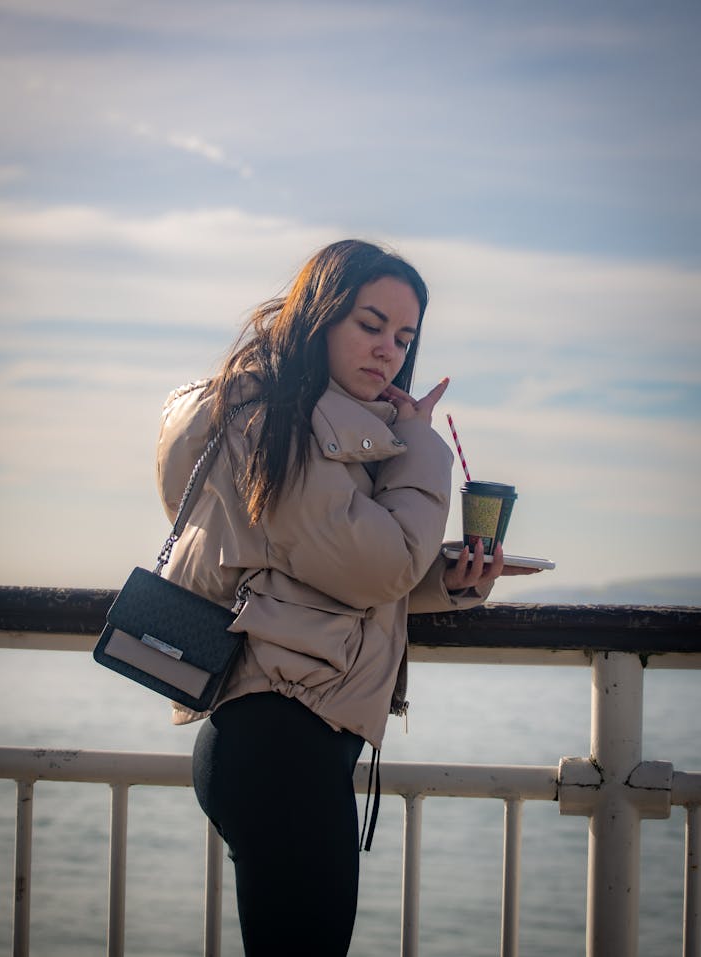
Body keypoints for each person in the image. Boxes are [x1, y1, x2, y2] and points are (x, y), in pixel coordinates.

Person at [155, 239, 538, 956]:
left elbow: (330, 572)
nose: (389, 350)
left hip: (282, 741)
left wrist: (443, 581)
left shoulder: (311, 426)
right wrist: (421, 446)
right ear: (320, 317)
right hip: (282, 743)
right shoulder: (279, 426)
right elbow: (381, 565)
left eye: (405, 336)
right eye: (370, 324)